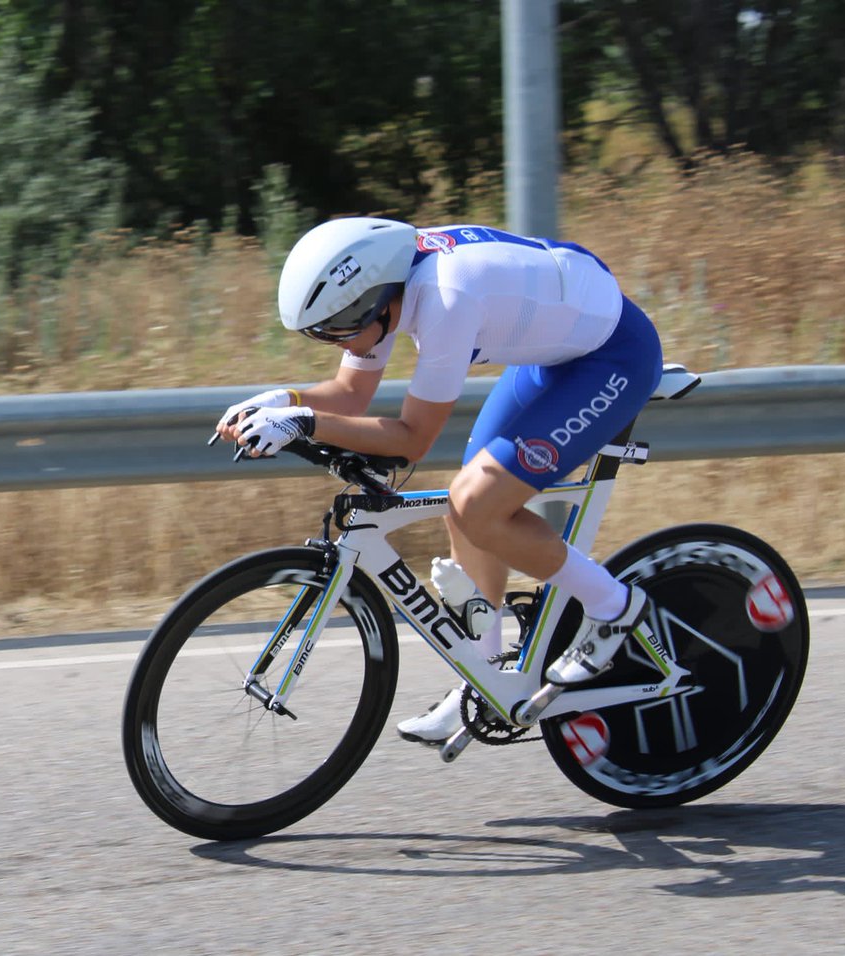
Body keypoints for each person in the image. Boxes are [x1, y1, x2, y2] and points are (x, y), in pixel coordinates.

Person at [216, 217, 664, 746]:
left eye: (335, 328)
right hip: (555, 357)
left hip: (613, 358)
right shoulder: (390, 285)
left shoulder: (446, 301)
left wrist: (305, 423)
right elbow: (349, 394)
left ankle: (614, 608)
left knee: (478, 503)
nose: (334, 341)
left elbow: (411, 440)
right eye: (319, 333)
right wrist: (282, 400)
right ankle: (487, 677)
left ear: (375, 301)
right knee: (463, 506)